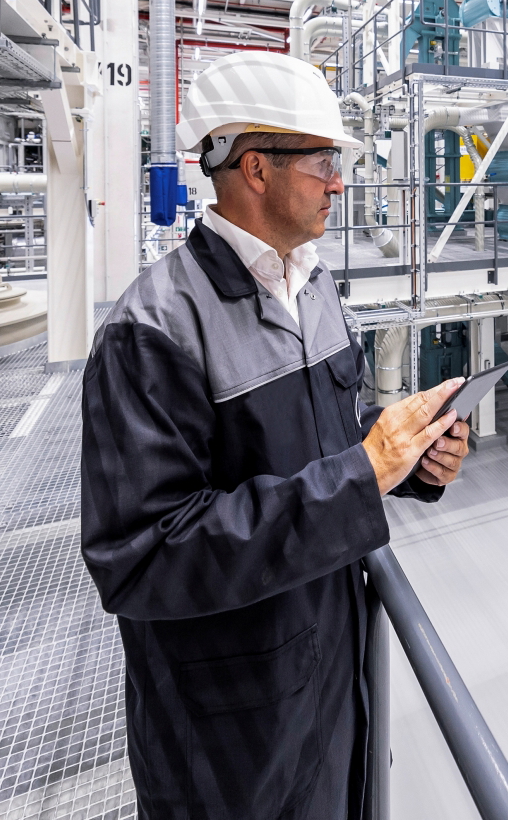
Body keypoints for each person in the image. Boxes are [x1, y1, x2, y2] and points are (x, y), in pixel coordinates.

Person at [81, 50, 470, 820]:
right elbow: (141, 558)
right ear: (254, 169)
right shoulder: (153, 329)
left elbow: (320, 443)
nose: (340, 180)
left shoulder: (317, 286)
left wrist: (410, 461)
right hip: (230, 729)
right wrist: (362, 474)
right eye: (324, 158)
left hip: (332, 684)